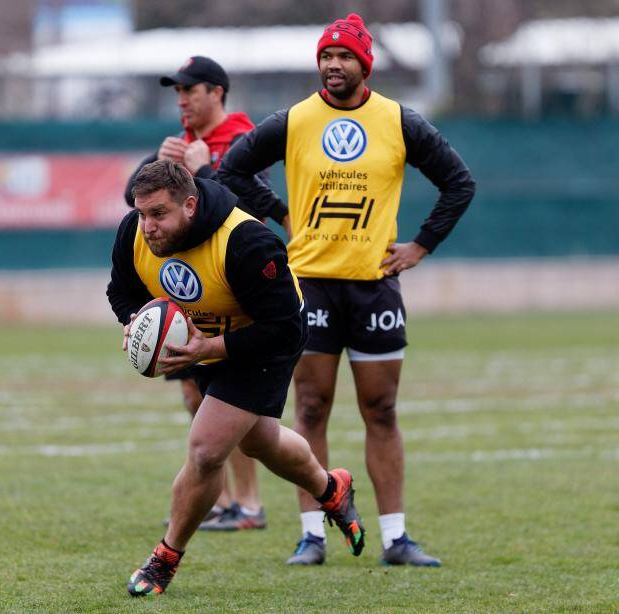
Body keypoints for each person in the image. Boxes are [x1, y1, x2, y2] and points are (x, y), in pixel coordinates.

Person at [219, 13, 475, 567]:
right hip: (309, 285)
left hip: (374, 288)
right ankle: (312, 534)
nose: (334, 65)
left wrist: (420, 247)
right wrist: (280, 214)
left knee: (380, 410)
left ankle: (396, 538)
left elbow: (459, 182)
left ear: (365, 64)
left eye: (345, 57)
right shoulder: (293, 121)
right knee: (310, 407)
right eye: (326, 56)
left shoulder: (399, 121)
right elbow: (232, 169)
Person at [107, 160, 366, 597]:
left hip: (264, 340)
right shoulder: (133, 230)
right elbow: (122, 290)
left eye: (158, 214)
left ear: (190, 205)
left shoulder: (246, 241)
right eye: (141, 213)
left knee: (207, 449)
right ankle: (331, 487)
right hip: (204, 338)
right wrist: (135, 323)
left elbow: (282, 326)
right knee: (258, 440)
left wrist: (211, 348)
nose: (147, 226)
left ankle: (164, 559)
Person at [123, 56, 289, 531]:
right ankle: (228, 500)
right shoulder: (181, 146)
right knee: (199, 402)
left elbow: (262, 209)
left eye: (190, 91)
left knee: (232, 412)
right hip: (186, 290)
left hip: (233, 296)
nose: (181, 101)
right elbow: (135, 208)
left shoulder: (241, 139)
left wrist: (209, 169)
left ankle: (248, 503)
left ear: (217, 92)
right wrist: (156, 163)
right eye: (176, 92)